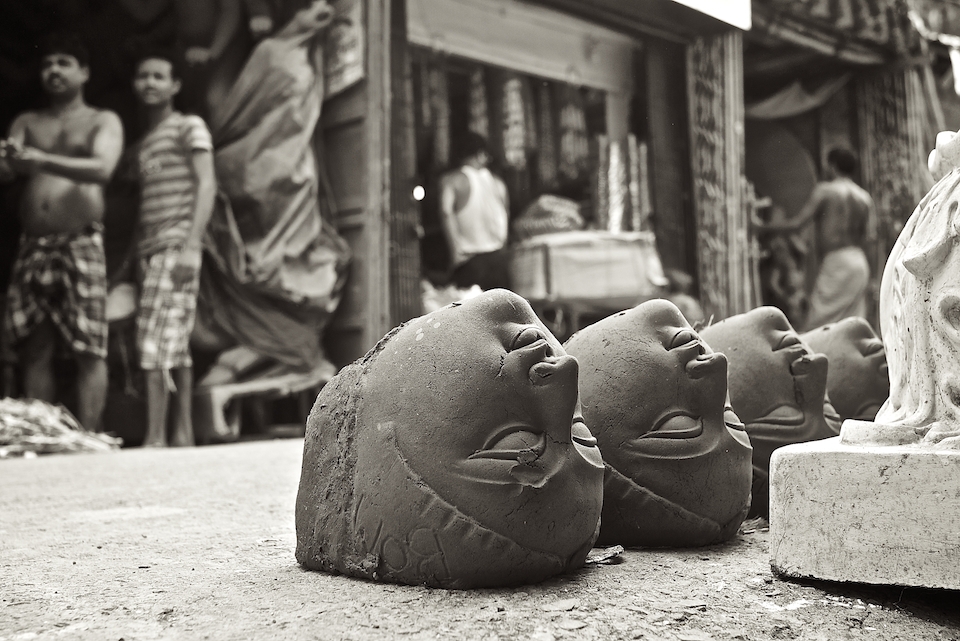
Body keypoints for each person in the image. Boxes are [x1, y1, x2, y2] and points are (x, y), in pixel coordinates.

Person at [0, 33, 124, 432]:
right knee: (35, 345)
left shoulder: (102, 120)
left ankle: (90, 438)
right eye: (47, 63)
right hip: (33, 243)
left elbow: (103, 169)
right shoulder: (26, 122)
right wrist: (9, 160)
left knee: (89, 346)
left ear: (84, 72)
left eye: (63, 62)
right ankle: (43, 437)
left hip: (80, 240)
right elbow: (5, 171)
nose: (53, 70)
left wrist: (40, 160)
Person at [132, 52, 216, 447]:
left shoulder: (188, 125)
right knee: (175, 345)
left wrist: (191, 246)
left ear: (175, 85)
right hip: (153, 250)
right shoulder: (146, 143)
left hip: (176, 246)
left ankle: (154, 438)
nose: (150, 83)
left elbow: (207, 184)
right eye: (143, 76)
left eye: (159, 76)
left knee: (153, 344)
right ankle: (181, 436)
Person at [752, 147, 877, 330]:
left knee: (818, 324)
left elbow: (797, 224)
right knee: (852, 326)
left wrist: (761, 228)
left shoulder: (825, 191)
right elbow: (871, 239)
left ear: (832, 166)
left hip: (838, 263)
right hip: (859, 262)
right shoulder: (864, 198)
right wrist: (874, 277)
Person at [438, 133, 511, 291]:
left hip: (468, 262)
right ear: (481, 154)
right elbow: (505, 216)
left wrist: (454, 252)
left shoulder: (452, 181)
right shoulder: (498, 184)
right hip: (498, 261)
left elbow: (446, 212)